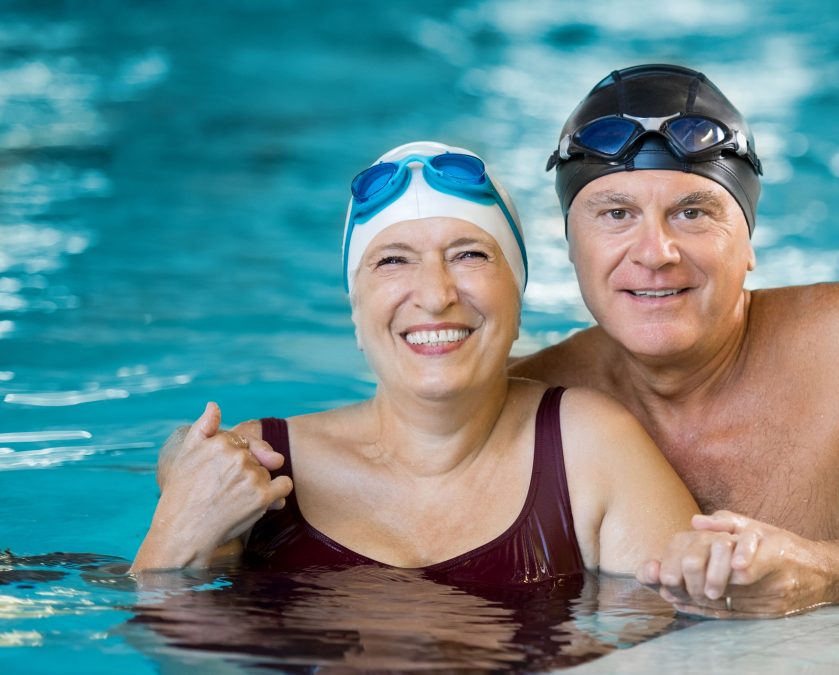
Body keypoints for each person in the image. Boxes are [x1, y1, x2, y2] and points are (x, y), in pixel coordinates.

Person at [156, 65, 839, 618]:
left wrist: (831, 573)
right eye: (613, 212)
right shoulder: (541, 403)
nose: (653, 252)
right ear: (569, 251)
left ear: (750, 243)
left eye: (697, 213)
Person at [132, 141, 698, 585]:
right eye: (393, 261)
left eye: (469, 255)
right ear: (356, 314)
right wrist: (174, 535)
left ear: (518, 299)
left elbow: (699, 647)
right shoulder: (257, 472)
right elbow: (163, 648)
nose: (434, 294)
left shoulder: (590, 450)